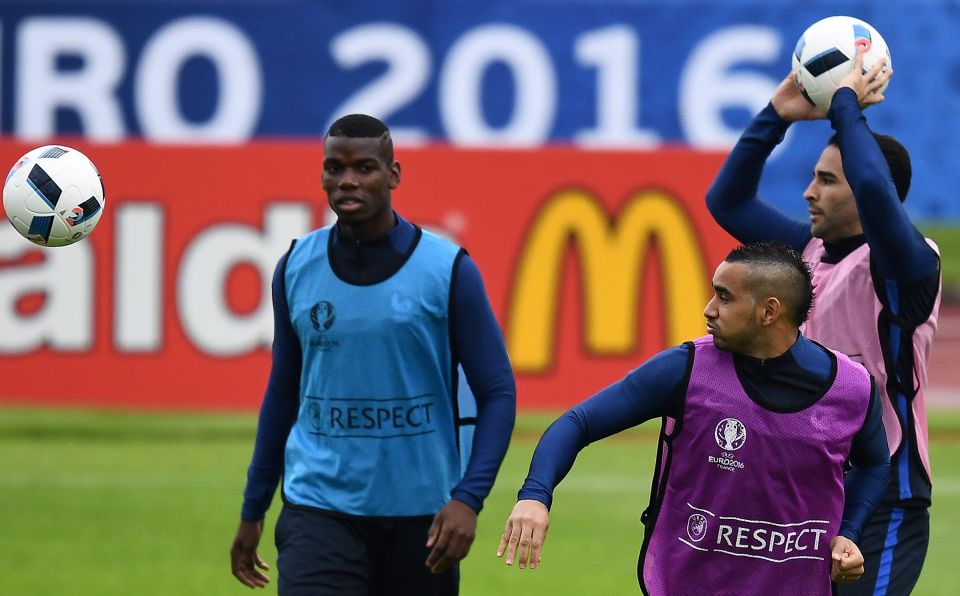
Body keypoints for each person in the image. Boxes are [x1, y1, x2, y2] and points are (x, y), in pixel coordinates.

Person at [498, 242, 890, 595]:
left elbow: (873, 464)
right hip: (685, 585)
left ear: (769, 310)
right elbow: (577, 423)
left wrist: (849, 533)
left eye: (724, 296)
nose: (709, 308)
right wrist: (535, 496)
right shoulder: (686, 369)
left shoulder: (853, 389)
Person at [230, 114, 517, 595]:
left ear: (394, 175)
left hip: (422, 519)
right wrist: (253, 508)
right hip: (317, 508)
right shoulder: (296, 268)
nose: (346, 180)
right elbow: (283, 391)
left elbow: (498, 391)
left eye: (364, 167)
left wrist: (469, 498)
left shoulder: (447, 271)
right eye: (333, 168)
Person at [705, 49, 940, 595]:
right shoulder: (807, 252)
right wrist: (775, 116)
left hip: (885, 501)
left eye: (828, 180)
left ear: (864, 186)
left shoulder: (907, 266)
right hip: (806, 490)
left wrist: (845, 105)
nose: (810, 192)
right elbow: (728, 199)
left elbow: (878, 190)